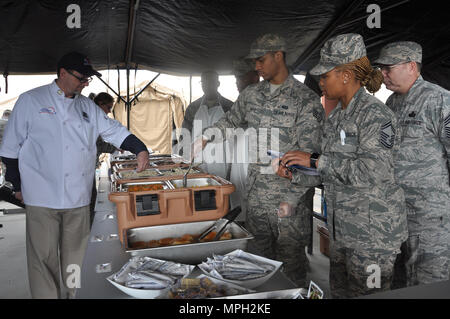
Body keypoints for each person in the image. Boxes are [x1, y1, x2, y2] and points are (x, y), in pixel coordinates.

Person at [0, 51, 149, 299]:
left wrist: (139, 148)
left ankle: (73, 296)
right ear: (62, 74)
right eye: (82, 78)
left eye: (88, 79)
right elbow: (10, 149)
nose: (85, 83)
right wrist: (16, 185)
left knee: (75, 259)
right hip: (41, 195)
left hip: (78, 197)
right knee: (43, 260)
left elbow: (113, 130)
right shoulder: (31, 101)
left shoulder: (86, 106)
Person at [274, 34, 408, 298]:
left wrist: (313, 159)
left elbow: (373, 172)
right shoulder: (336, 117)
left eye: (325, 76)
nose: (320, 82)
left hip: (372, 236)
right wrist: (296, 175)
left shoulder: (376, 116)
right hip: (342, 232)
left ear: (345, 75)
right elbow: (329, 171)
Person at [194, 33, 324, 286]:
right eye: (255, 61)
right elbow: (230, 122)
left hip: (289, 203)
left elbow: (312, 161)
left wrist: (292, 198)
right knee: (256, 267)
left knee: (290, 271)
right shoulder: (252, 96)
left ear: (279, 56)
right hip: (255, 200)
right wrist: (206, 137)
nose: (257, 66)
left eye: (262, 60)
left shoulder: (306, 101)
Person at [374, 42, 450, 288]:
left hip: (429, 217)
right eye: (381, 69)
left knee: (428, 284)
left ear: (411, 66)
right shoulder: (391, 104)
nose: (383, 75)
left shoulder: (439, 100)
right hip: (396, 214)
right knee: (399, 281)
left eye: (388, 69)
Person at [180, 70, 233, 179]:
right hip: (198, 160)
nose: (207, 86)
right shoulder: (193, 108)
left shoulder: (229, 106)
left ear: (218, 84)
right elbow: (185, 134)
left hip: (222, 161)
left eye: (210, 82)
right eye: (204, 83)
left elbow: (236, 137)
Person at [228, 58, 260, 215]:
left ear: (255, 76)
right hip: (238, 166)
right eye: (236, 78)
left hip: (257, 169)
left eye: (241, 77)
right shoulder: (238, 103)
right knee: (240, 213)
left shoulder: (266, 101)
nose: (237, 82)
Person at [89, 92, 118, 226]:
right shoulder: (90, 118)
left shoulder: (94, 117)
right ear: (100, 104)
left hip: (88, 166)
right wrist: (115, 147)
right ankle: (89, 228)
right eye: (108, 108)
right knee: (89, 200)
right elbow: (99, 144)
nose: (109, 112)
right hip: (85, 167)